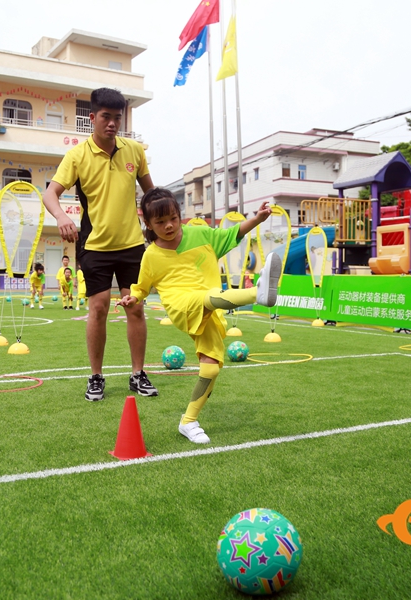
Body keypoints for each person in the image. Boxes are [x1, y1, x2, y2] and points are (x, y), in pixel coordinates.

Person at [118, 188, 281, 444]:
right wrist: (133, 297)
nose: (168, 226)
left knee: (211, 367)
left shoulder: (201, 234)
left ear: (179, 215)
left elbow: (231, 234)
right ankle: (256, 294)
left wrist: (257, 220)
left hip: (210, 306)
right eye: (160, 222)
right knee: (207, 297)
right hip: (181, 305)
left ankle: (189, 421)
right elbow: (142, 285)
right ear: (148, 224)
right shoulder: (150, 255)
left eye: (172, 218)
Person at [42, 87, 157, 402]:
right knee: (98, 308)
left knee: (135, 308)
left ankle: (138, 374)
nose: (112, 124)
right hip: (94, 245)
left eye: (117, 118)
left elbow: (151, 195)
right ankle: (96, 377)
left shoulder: (134, 150)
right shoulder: (76, 156)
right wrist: (61, 216)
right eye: (106, 117)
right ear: (92, 118)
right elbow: (50, 193)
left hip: (132, 244)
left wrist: (163, 223)